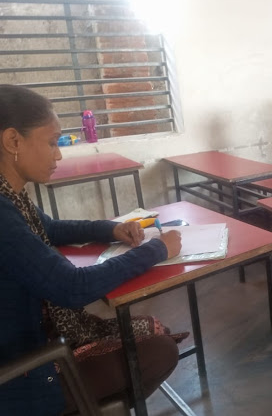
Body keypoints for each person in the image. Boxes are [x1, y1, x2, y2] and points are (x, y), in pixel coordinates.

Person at [0, 85, 185, 415]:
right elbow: (73, 288)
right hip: (20, 374)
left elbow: (50, 228)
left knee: (151, 329)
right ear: (13, 141)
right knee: (159, 350)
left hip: (33, 339)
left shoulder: (11, 197)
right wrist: (156, 250)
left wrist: (110, 229)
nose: (58, 155)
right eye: (51, 142)